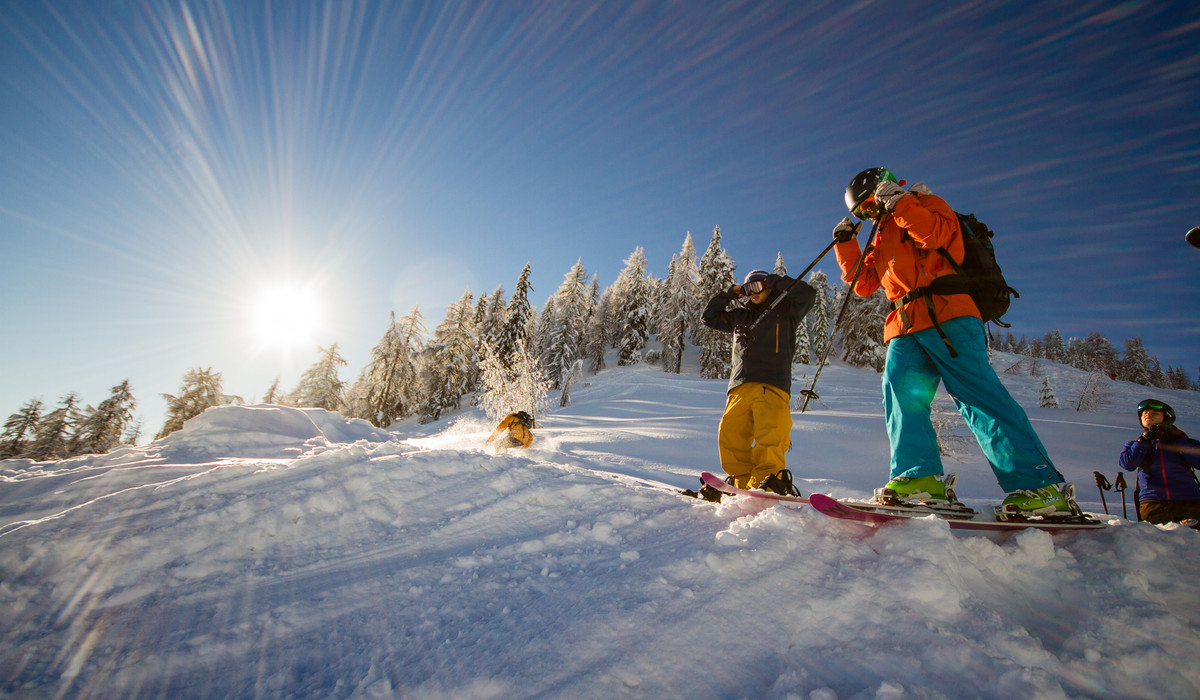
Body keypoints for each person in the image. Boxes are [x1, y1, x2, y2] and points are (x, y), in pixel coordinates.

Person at [832, 167, 1076, 517]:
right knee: (900, 393)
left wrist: (901, 204)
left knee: (975, 395)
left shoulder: (924, 202)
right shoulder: (881, 234)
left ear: (884, 188)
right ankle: (919, 479)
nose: (872, 215)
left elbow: (933, 236)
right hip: (905, 322)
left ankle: (1039, 486)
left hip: (949, 313)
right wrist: (846, 244)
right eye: (864, 214)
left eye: (871, 207)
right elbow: (865, 283)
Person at [699, 268, 816, 498]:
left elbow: (807, 294)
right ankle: (741, 484)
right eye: (748, 288)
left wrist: (773, 280)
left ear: (768, 287)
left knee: (770, 435)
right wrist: (730, 294)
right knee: (730, 436)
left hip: (772, 383)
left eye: (758, 287)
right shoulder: (741, 316)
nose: (753, 293)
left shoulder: (787, 310)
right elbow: (709, 318)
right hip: (740, 386)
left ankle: (769, 480)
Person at [1119, 399, 1200, 525]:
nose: (1147, 414)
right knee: (1157, 543)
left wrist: (1177, 439)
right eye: (1144, 413)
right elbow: (1127, 464)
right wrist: (1143, 442)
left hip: (1189, 502)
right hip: (1153, 503)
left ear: (1166, 418)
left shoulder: (1183, 440)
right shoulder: (1135, 444)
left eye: (1154, 413)